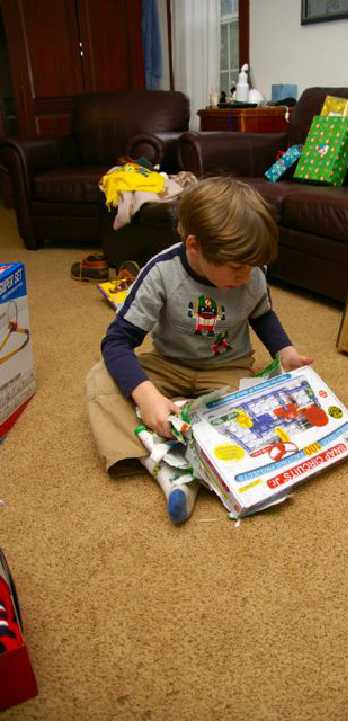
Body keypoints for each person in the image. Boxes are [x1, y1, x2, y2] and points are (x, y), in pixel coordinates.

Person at [86, 177, 313, 524]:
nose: (246, 275)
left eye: (253, 266)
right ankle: (162, 460)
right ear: (194, 245)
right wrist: (146, 395)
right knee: (101, 378)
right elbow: (117, 342)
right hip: (168, 364)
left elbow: (263, 315)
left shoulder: (251, 271)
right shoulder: (161, 272)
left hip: (227, 370)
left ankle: (184, 450)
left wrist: (285, 352)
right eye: (237, 267)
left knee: (261, 412)